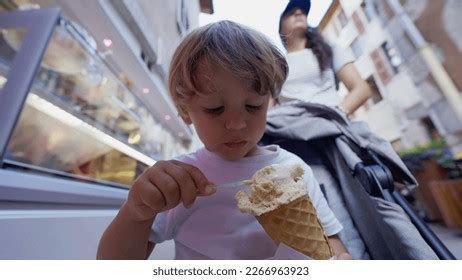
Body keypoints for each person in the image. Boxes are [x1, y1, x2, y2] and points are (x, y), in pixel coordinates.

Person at [97, 20, 351, 260]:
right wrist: (136, 212)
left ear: (269, 103)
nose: (237, 124)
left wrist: (340, 260)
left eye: (252, 106)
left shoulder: (294, 170)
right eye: (215, 109)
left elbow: (329, 241)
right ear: (186, 111)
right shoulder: (178, 181)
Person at [276, 0, 371, 115]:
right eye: (291, 13)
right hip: (291, 128)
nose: (299, 13)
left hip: (332, 126)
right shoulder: (276, 66)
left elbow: (361, 89)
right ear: (281, 29)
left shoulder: (329, 49)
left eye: (303, 12)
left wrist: (334, 117)